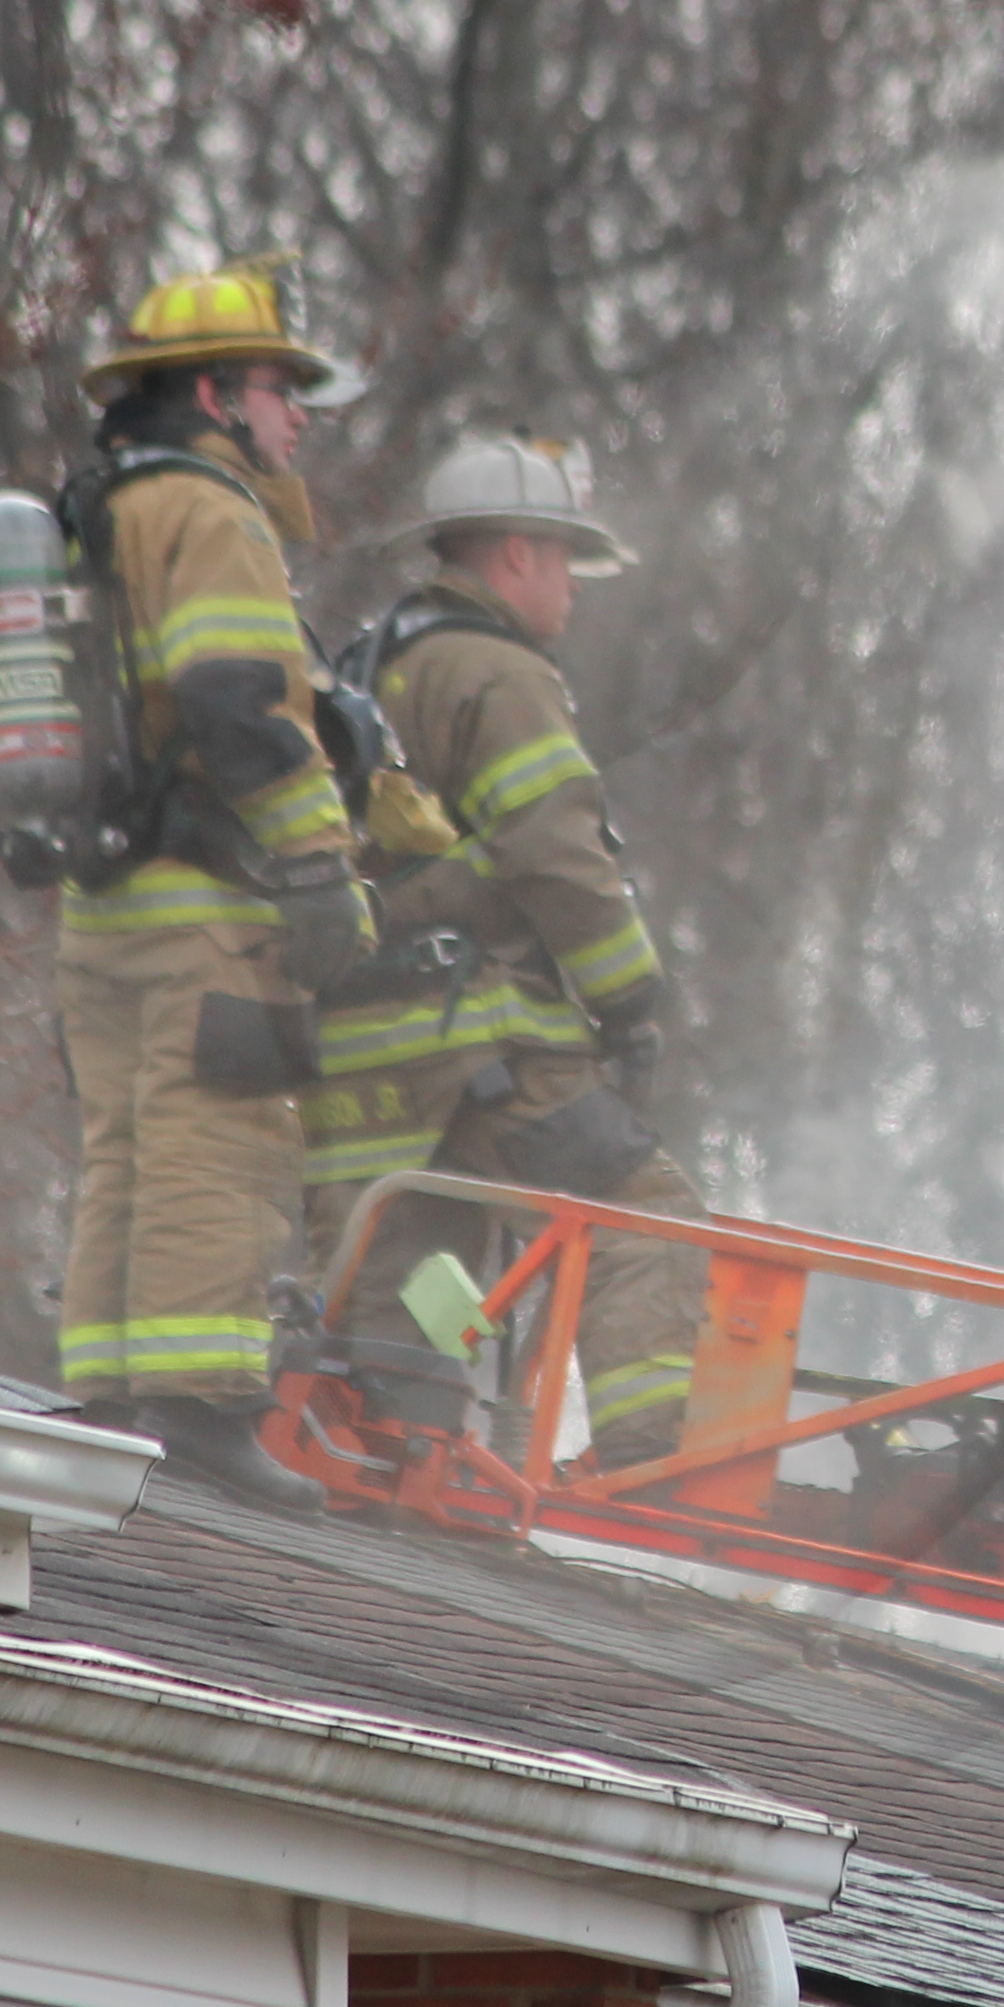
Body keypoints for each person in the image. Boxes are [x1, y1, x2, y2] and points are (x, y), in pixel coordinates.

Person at [306, 432, 703, 1464]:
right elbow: (554, 847)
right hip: (474, 1039)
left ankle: (411, 1470)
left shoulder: (372, 664)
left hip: (361, 1056)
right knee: (644, 1219)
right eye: (564, 558)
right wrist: (630, 1002)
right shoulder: (494, 671)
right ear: (516, 554)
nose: (572, 588)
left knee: (418, 1276)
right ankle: (646, 1470)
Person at [47, 266, 370, 1504]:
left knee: (124, 1142)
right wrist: (318, 864)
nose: (295, 419)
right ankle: (200, 1413)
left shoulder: (98, 509)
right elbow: (241, 702)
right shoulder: (211, 512)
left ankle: (112, 1401)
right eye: (282, 390)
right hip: (203, 900)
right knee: (216, 1140)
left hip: (103, 901)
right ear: (215, 394)